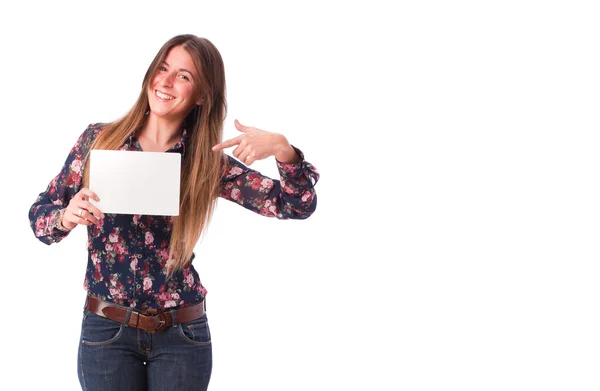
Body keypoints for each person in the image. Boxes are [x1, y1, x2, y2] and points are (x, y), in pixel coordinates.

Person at [28, 34, 319, 391]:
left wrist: (284, 150)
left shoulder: (206, 163)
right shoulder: (99, 140)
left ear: (201, 95)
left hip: (181, 334)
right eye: (162, 68)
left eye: (183, 75)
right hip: (106, 330)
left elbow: (295, 205)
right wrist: (65, 216)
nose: (165, 82)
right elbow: (40, 218)